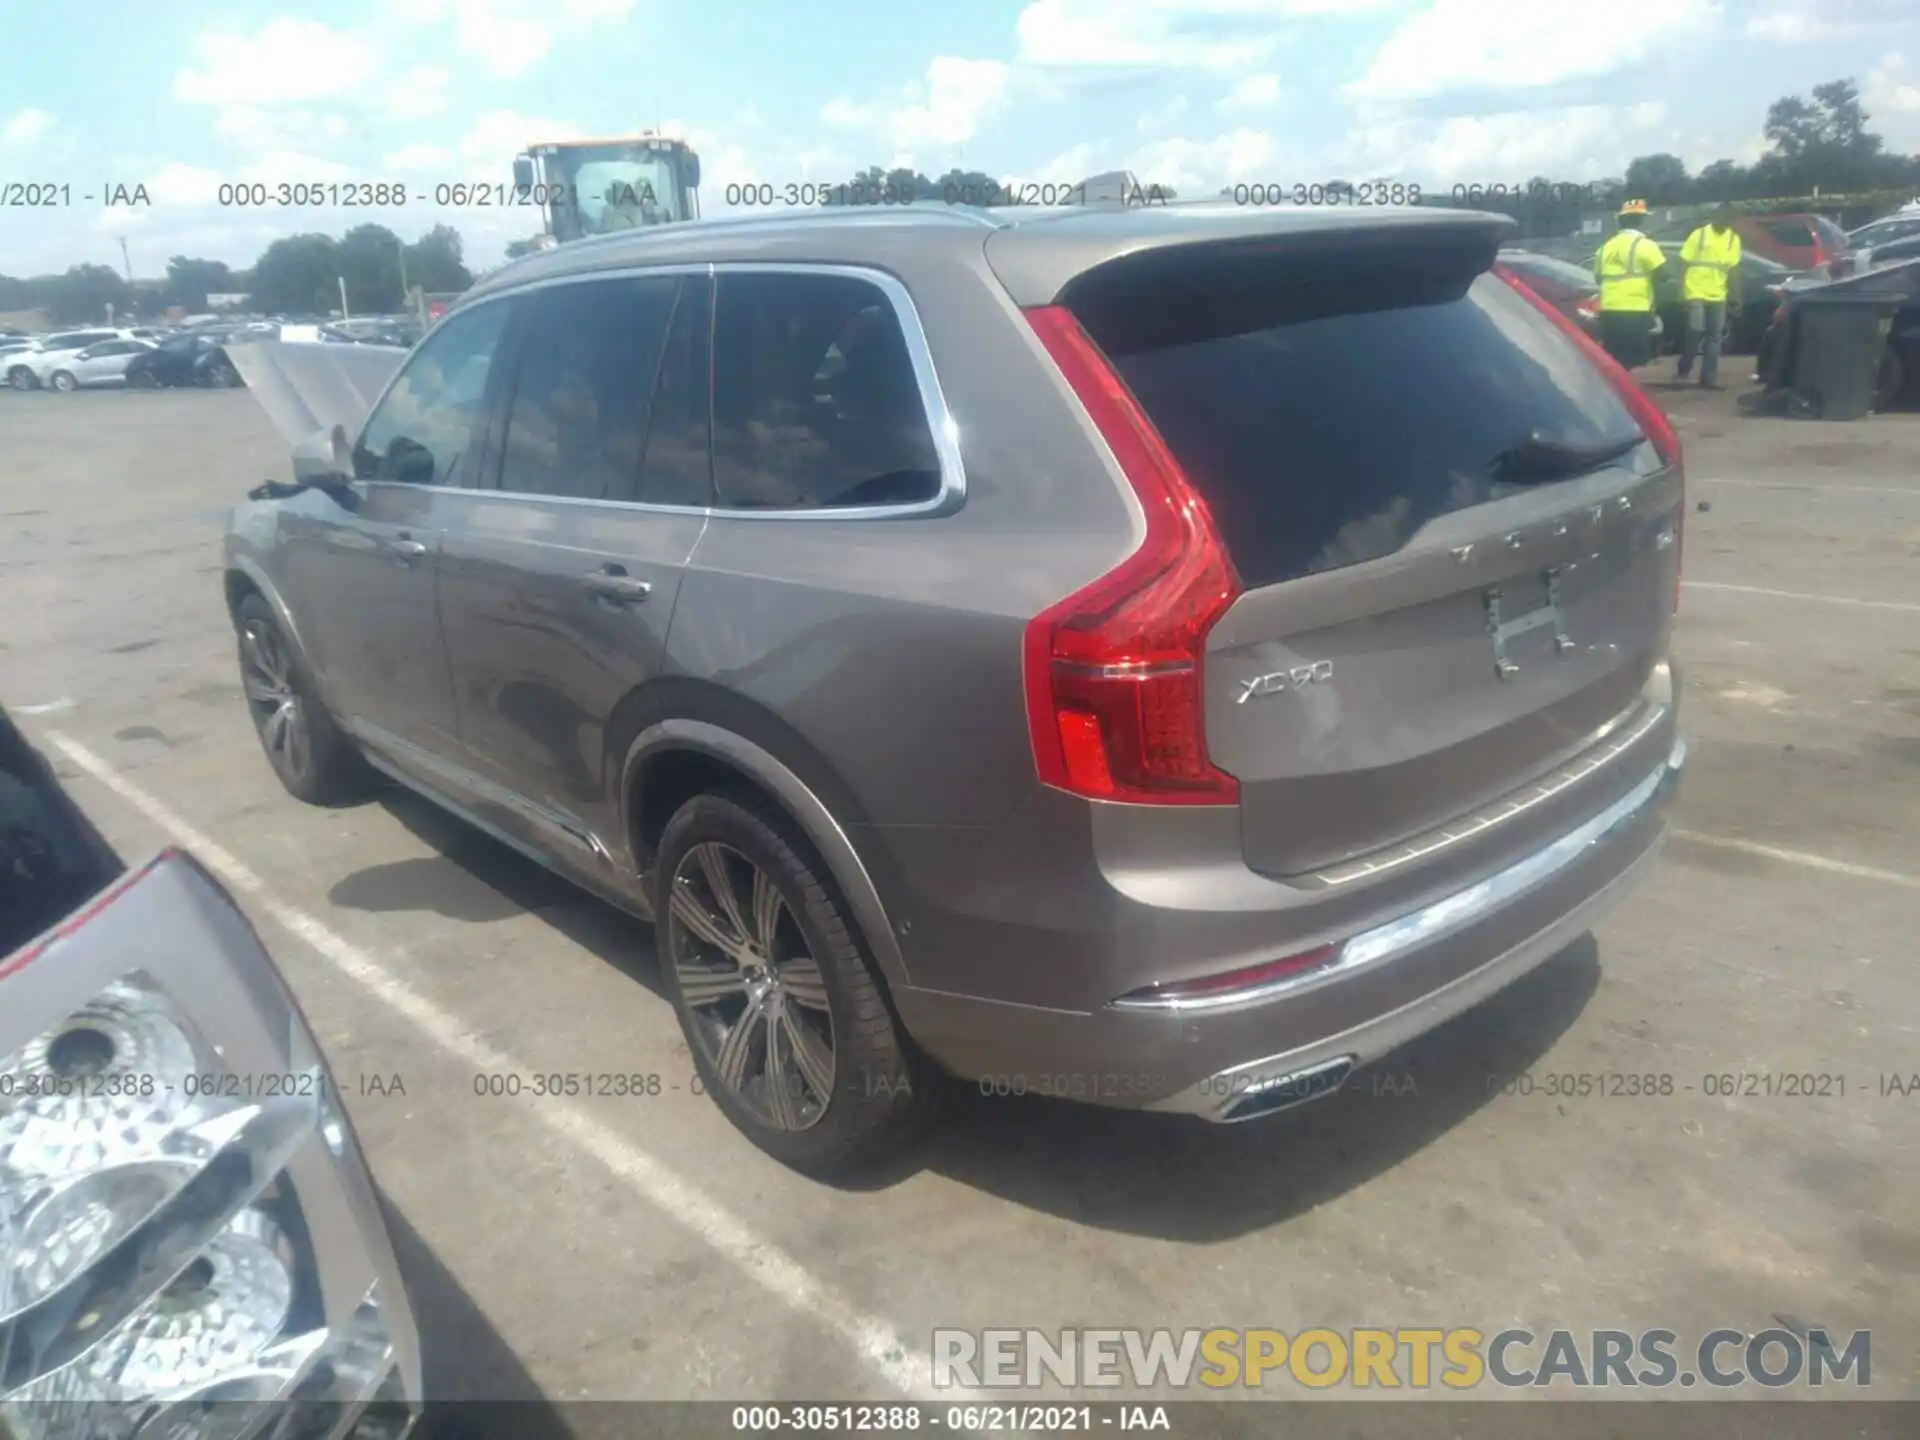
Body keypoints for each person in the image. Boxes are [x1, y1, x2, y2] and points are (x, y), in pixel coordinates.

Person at [1594, 200, 1667, 370]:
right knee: (1633, 358)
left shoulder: (1605, 247)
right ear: (1640, 220)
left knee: (1613, 356)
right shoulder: (1645, 245)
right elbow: (1663, 273)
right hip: (1636, 307)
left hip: (1609, 308)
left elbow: (1598, 278)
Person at [1677, 205, 1743, 389]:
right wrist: (1681, 291)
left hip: (1718, 294)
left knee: (1714, 338)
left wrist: (1736, 297)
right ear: (1715, 216)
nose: (1725, 220)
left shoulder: (1733, 239)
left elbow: (1734, 270)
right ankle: (1684, 367)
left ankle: (1708, 378)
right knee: (1695, 331)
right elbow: (1683, 263)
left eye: (1729, 217)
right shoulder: (1699, 235)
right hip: (1695, 291)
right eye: (1722, 216)